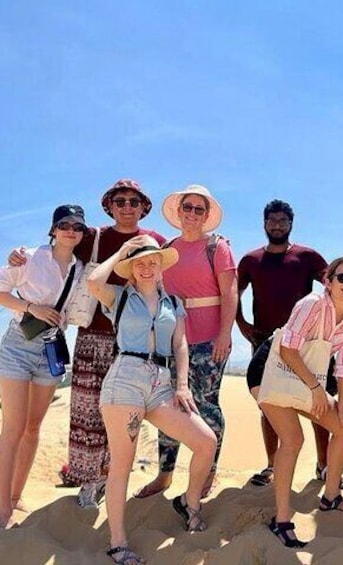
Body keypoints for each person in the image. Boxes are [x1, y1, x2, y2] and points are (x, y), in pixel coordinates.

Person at [8, 179, 166, 508]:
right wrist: (19, 256)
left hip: (133, 344)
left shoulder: (155, 241)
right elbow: (54, 252)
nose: (126, 207)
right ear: (109, 205)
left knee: (122, 415)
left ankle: (110, 478)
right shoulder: (92, 237)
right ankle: (87, 483)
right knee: (86, 414)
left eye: (133, 202)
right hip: (91, 337)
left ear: (143, 206)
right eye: (119, 201)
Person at [87, 235, 217, 565]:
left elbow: (181, 345)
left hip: (162, 383)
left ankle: (189, 503)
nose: (146, 268)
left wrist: (183, 385)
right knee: (122, 464)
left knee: (205, 441)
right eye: (140, 264)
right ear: (131, 269)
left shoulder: (173, 303)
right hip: (124, 381)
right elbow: (93, 280)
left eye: (152, 263)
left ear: (161, 268)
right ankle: (118, 542)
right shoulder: (118, 296)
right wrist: (122, 251)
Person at [252, 257, 343, 548]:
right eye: (342, 278)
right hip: (271, 370)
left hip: (308, 377)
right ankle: (281, 519)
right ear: (328, 281)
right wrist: (317, 389)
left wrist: (341, 404)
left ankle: (331, 497)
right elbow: (289, 349)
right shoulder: (312, 303)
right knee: (293, 440)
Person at [237, 199, 343, 490]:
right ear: (264, 224)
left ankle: (324, 465)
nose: (277, 225)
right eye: (272, 220)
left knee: (319, 403)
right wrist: (241, 324)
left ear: (291, 224)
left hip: (312, 343)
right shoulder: (250, 260)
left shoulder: (308, 256)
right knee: (269, 405)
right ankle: (272, 465)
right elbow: (232, 293)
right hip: (266, 342)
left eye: (282, 221)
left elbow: (336, 284)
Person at [135, 185, 237, 499]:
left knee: (206, 407)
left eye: (199, 209)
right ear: (178, 212)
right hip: (169, 342)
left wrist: (224, 333)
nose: (192, 213)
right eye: (188, 207)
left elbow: (229, 292)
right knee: (168, 408)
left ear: (206, 216)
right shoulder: (166, 249)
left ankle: (209, 471)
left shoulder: (217, 247)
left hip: (208, 340)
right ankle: (164, 475)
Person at [0, 204, 87, 528]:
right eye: (64, 224)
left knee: (33, 428)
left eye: (77, 226)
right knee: (13, 428)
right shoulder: (29, 257)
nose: (71, 230)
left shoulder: (79, 267)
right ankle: (3, 508)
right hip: (19, 344)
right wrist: (33, 307)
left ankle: (17, 497)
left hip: (51, 349)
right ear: (53, 229)